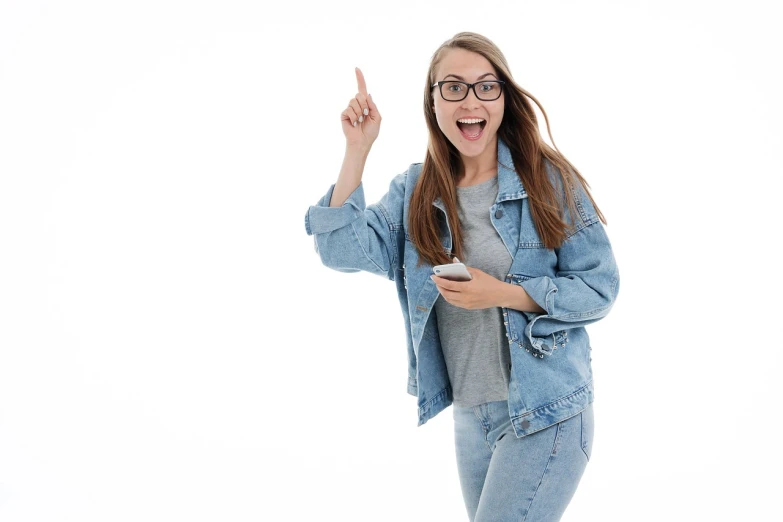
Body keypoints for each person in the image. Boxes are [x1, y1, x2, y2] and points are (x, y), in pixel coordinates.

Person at [304, 31, 620, 522]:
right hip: (472, 417)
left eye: (485, 87)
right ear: (433, 101)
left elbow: (600, 288)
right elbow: (341, 249)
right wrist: (357, 151)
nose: (470, 101)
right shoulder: (415, 190)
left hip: (545, 411)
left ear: (503, 98)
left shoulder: (550, 181)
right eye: (453, 87)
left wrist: (506, 294)